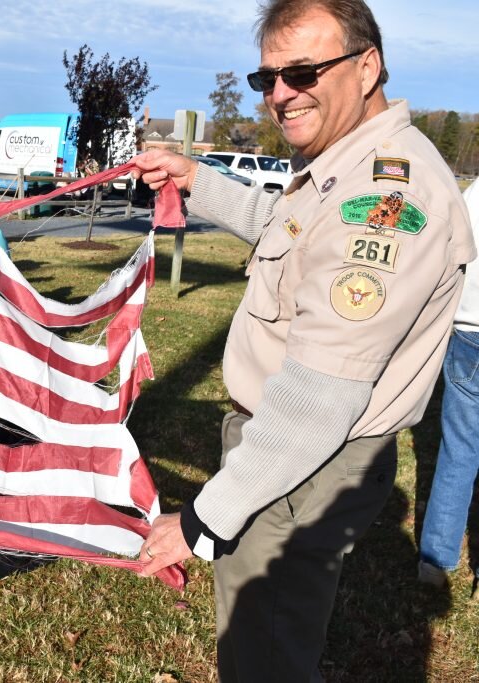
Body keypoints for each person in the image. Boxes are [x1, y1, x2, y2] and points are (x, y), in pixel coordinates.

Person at [131, 1, 475, 680]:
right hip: (296, 461)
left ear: (368, 65)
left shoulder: (386, 194)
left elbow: (319, 398)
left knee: (263, 657)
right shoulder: (350, 165)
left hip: (301, 464)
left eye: (304, 72)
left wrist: (201, 520)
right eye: (268, 80)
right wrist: (196, 179)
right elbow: (288, 230)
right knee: (273, 643)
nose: (282, 94)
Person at [418, 177, 479, 589]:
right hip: (468, 332)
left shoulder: (475, 192)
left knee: (459, 449)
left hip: (468, 329)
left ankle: (435, 561)